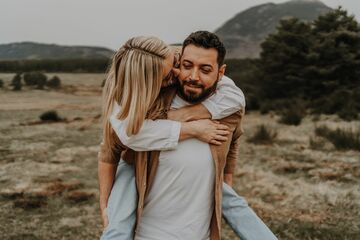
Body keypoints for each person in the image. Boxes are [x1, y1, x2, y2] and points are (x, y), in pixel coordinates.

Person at [99, 33, 277, 240]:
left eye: (205, 69)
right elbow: (116, 145)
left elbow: (234, 135)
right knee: (118, 218)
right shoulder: (144, 106)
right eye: (166, 76)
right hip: (148, 232)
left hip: (197, 233)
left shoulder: (226, 104)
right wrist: (105, 204)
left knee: (234, 203)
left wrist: (225, 179)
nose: (178, 76)